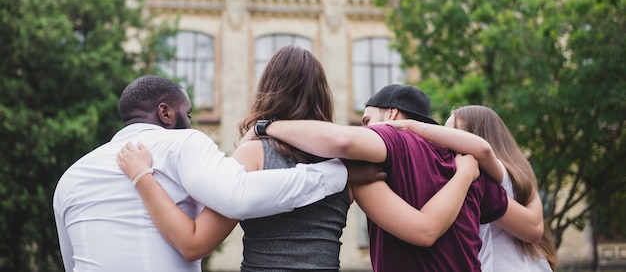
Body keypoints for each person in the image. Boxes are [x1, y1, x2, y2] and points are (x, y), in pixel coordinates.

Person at [117, 48, 480, 270]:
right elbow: (421, 229)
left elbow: (194, 243)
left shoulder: (252, 152)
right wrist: (464, 174)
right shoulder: (351, 168)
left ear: (266, 91)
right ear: (322, 97)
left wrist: (142, 177)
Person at [53, 74, 353, 272]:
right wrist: (337, 174)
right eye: (189, 113)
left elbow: (72, 262)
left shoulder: (71, 177)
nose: (192, 123)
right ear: (166, 113)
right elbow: (238, 195)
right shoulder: (183, 143)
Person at [247, 84, 545, 271]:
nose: (364, 128)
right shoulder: (468, 163)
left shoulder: (384, 148)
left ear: (391, 116)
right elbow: (531, 227)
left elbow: (342, 142)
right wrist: (466, 174)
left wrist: (265, 127)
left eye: (367, 121)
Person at [427, 105, 558, 271]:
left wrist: (412, 126)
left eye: (452, 136)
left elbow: (483, 150)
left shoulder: (501, 174)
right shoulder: (513, 175)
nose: (445, 147)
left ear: (476, 137)